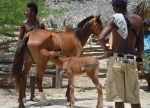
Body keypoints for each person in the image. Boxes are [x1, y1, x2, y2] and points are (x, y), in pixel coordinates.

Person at [98, 0, 144, 108]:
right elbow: (140, 43)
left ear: (117, 7)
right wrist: (139, 60)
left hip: (117, 60)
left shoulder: (114, 19)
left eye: (113, 6)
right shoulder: (138, 19)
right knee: (134, 97)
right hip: (131, 59)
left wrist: (106, 50)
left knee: (118, 97)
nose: (113, 8)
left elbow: (100, 38)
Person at [17, 1, 45, 103]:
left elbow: (44, 39)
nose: (25, 12)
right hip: (25, 53)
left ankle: (32, 95)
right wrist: (18, 50)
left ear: (32, 13)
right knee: (23, 74)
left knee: (33, 74)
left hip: (36, 55)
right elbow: (20, 38)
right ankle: (23, 95)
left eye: (27, 11)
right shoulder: (24, 23)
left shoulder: (40, 24)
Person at [142, 19, 150, 92]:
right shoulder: (139, 35)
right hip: (144, 54)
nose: (145, 26)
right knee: (146, 71)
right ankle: (149, 86)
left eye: (146, 25)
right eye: (144, 24)